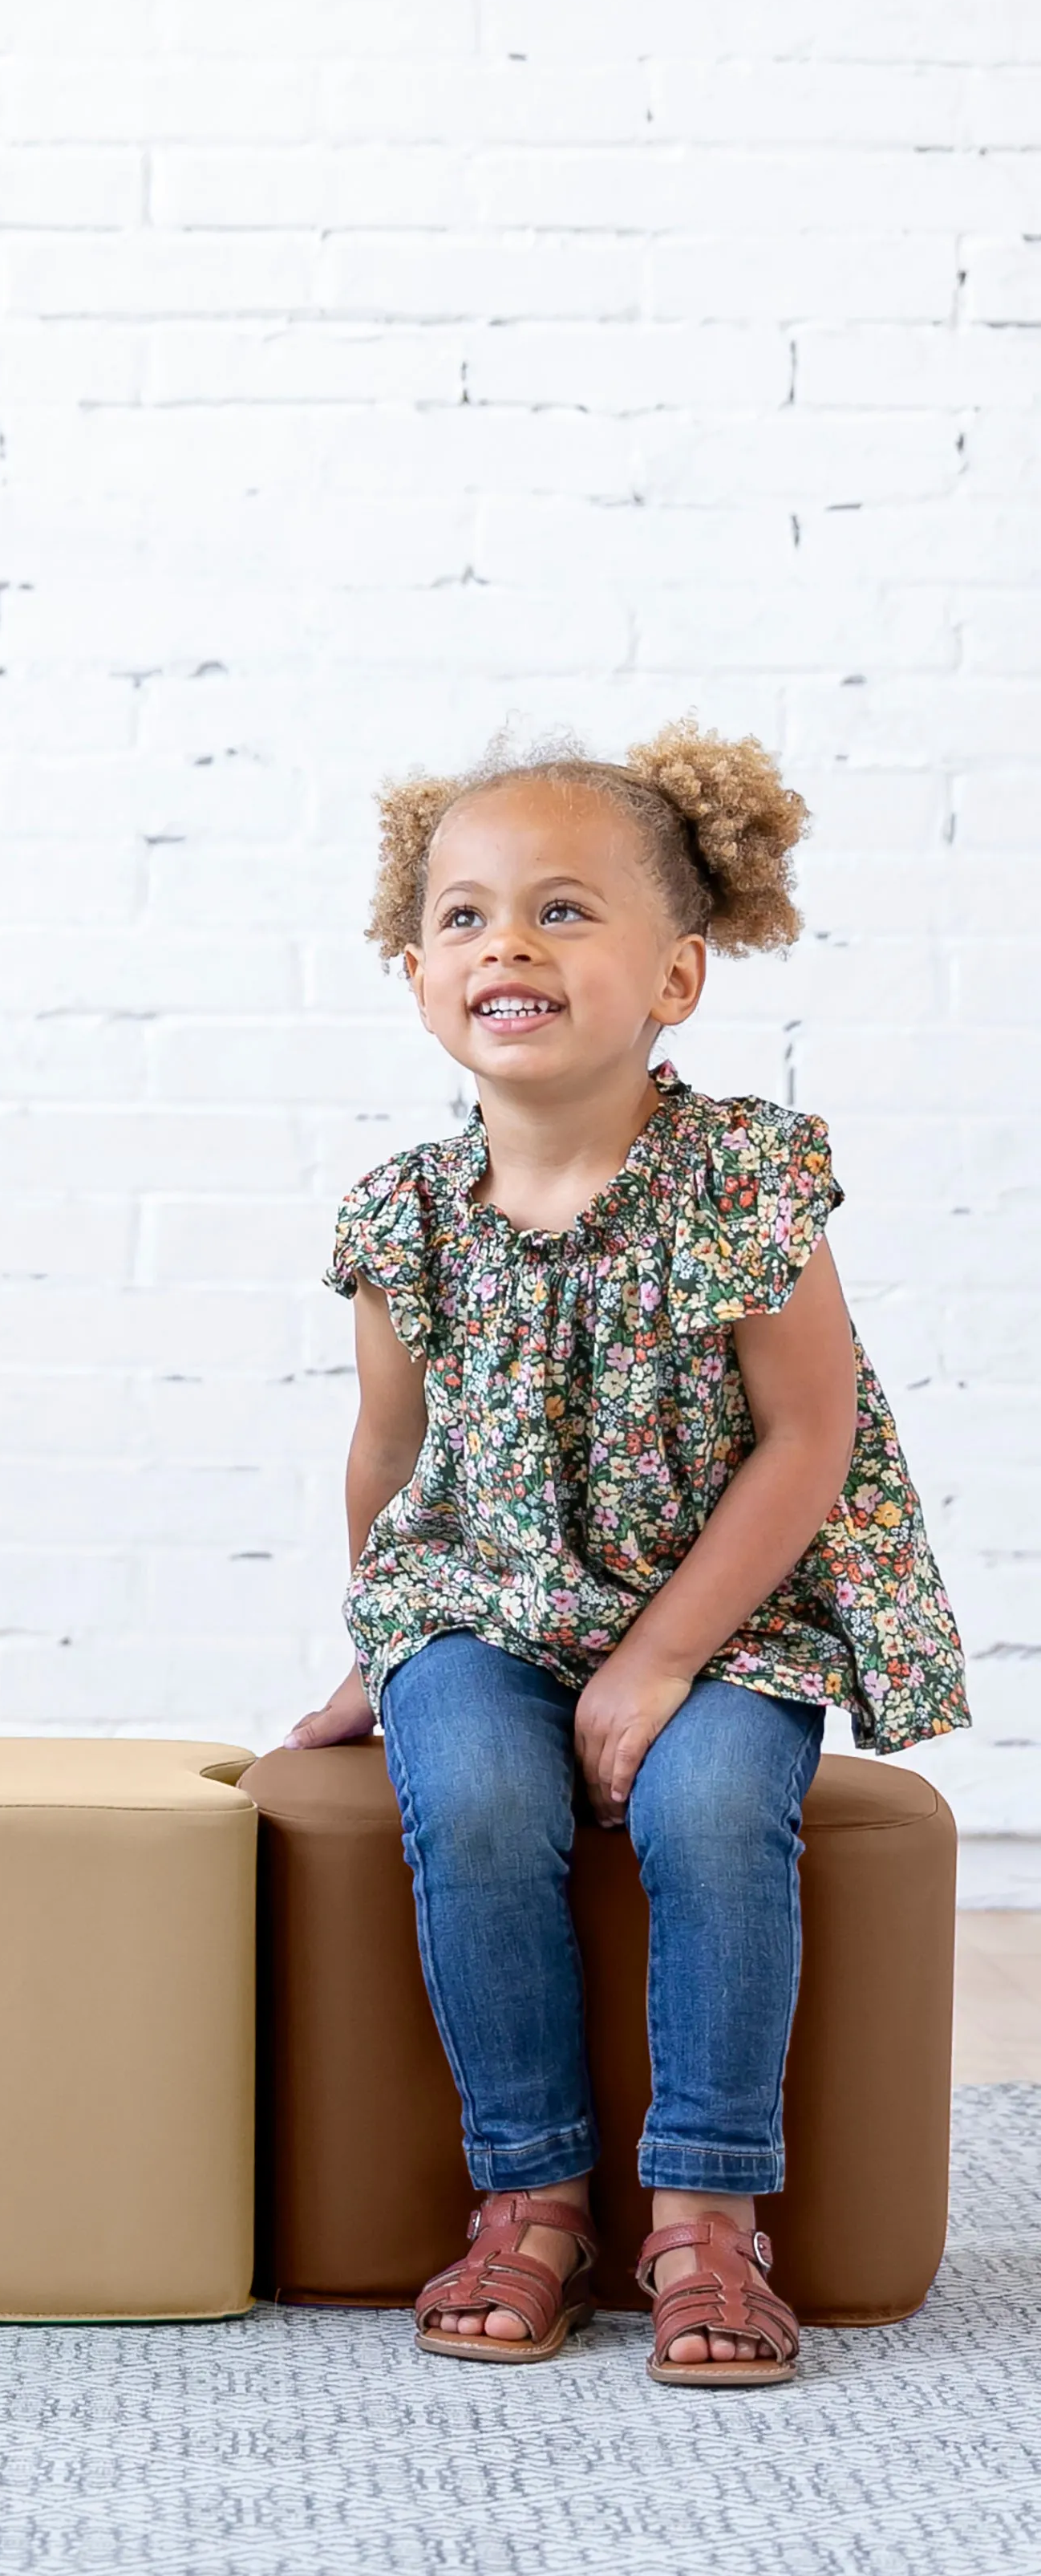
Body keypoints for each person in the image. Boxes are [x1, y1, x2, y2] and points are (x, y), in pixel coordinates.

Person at [286, 724, 963, 2387]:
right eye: (460, 916)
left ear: (673, 974)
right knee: (483, 1795)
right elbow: (387, 1457)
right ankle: (527, 2190)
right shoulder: (403, 1216)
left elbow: (807, 1437)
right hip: (484, 1590)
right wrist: (381, 1646)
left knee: (715, 1801)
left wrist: (661, 1655)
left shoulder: (735, 1177)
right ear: (411, 969)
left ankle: (704, 2209)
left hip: (726, 1607)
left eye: (558, 910)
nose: (502, 944)